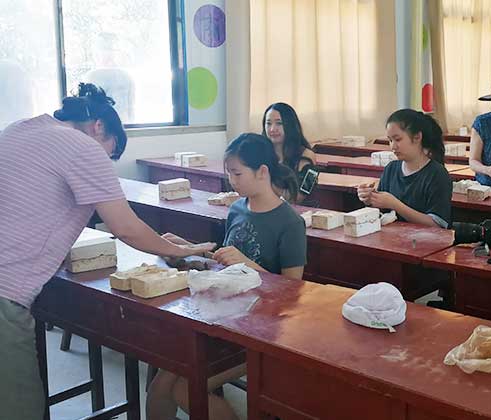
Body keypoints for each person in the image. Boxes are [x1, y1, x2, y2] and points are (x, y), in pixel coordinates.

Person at [0, 83, 215, 419]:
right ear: (99, 127)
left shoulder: (18, 129)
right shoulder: (81, 147)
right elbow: (125, 227)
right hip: (4, 293)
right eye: (110, 152)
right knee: (19, 408)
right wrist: (175, 249)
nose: (107, 162)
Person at [147, 133, 307, 420]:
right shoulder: (237, 208)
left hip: (261, 330)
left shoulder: (289, 222)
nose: (231, 180)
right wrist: (186, 248)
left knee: (185, 388)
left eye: (237, 173)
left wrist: (249, 264)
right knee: (161, 381)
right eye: (228, 173)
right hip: (221, 316)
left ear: (262, 172)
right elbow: (225, 260)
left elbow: (293, 289)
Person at [357, 109, 452, 228]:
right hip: (391, 239)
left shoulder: (437, 174)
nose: (393, 146)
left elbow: (438, 224)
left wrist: (396, 205)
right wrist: (370, 199)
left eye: (398, 139)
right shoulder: (391, 169)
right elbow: (383, 212)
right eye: (390, 140)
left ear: (417, 137)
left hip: (424, 243)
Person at [261, 102, 317, 202]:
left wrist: (265, 184)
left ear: (290, 125)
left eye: (279, 123)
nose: (273, 129)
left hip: (300, 212)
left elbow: (299, 197)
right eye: (268, 123)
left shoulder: (308, 156)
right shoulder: (261, 152)